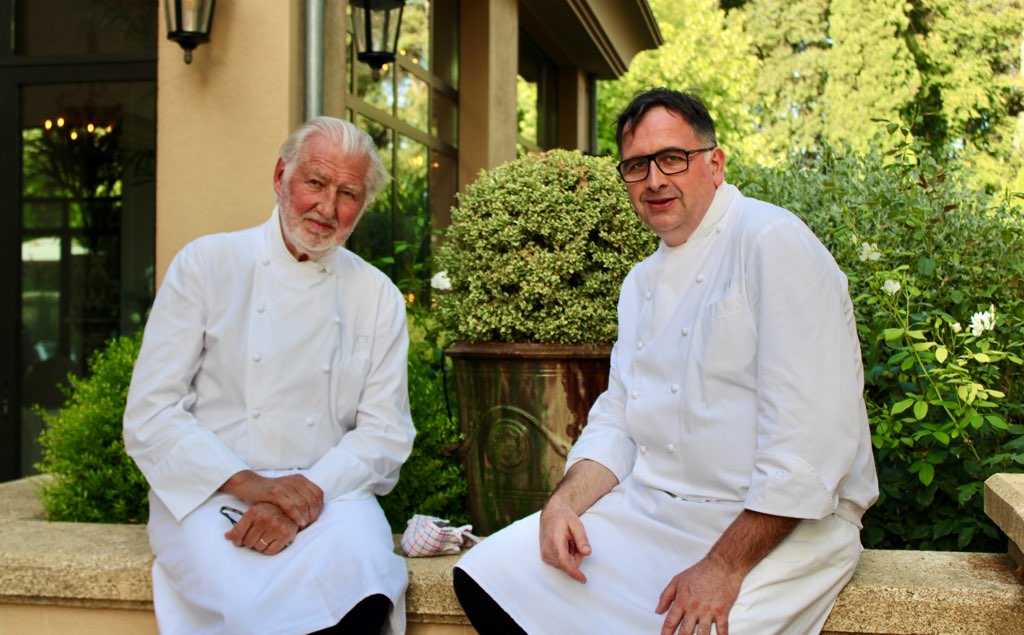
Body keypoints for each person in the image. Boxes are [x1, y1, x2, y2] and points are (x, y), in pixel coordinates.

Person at [452, 89, 879, 635]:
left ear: (715, 163)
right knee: (494, 572)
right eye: (636, 166)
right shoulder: (640, 283)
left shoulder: (772, 242)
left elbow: (812, 440)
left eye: (672, 158)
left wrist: (722, 566)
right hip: (657, 513)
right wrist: (562, 506)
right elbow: (620, 417)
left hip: (782, 527)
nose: (654, 180)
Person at [123, 117, 416, 635]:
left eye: (348, 193)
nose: (327, 208)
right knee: (244, 607)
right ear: (282, 175)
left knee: (364, 585)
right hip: (212, 490)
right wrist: (252, 485)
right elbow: (152, 411)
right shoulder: (207, 265)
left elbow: (384, 433)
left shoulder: (377, 296)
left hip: (330, 492)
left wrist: (301, 496)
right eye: (316, 183)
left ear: (363, 205)